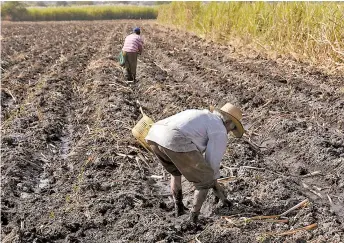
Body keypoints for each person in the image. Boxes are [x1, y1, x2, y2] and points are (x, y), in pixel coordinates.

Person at [145, 103, 245, 223]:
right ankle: (193, 219)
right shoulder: (220, 129)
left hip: (154, 135)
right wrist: (212, 183)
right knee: (205, 180)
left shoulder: (202, 114)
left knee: (176, 172)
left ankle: (179, 208)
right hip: (173, 139)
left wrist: (215, 184)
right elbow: (212, 164)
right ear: (228, 122)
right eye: (233, 128)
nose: (230, 132)